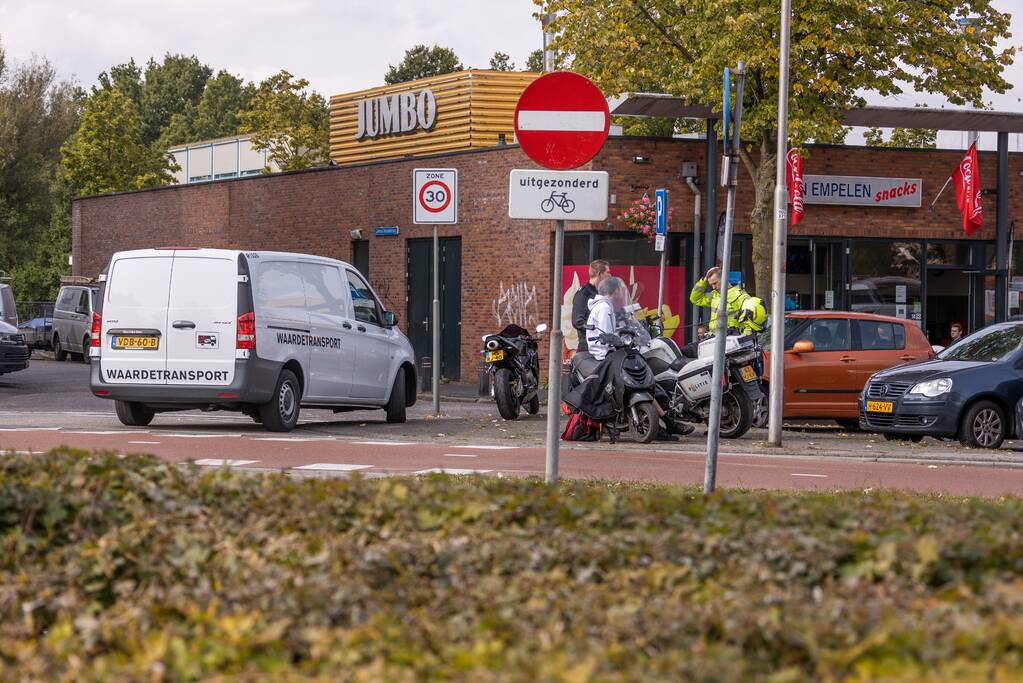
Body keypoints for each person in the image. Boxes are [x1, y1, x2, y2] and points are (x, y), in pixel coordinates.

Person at [690, 266, 751, 334]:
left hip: (729, 339)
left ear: (724, 279)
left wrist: (743, 340)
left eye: (715, 283)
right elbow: (695, 299)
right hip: (712, 337)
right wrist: (704, 281)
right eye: (711, 284)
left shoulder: (740, 296)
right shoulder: (714, 295)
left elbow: (749, 322)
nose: (713, 287)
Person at [572, 259, 610, 353]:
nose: (610, 276)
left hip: (603, 346)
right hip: (588, 348)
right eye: (608, 272)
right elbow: (577, 321)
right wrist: (595, 329)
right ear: (600, 274)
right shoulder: (583, 294)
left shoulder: (601, 292)